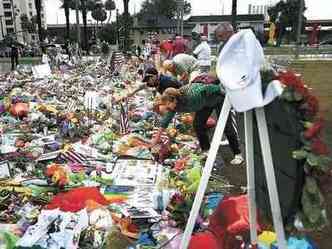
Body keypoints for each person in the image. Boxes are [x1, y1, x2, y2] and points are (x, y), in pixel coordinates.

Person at [151, 84, 243, 165]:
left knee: (226, 127)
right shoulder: (174, 107)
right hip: (204, 105)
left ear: (174, 99)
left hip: (218, 100)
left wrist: (226, 92)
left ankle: (237, 154)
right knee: (198, 124)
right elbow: (164, 123)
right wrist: (154, 141)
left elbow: (209, 88)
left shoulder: (192, 95)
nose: (168, 107)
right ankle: (206, 150)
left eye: (168, 104)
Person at [115, 67, 182, 102]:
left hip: (180, 98)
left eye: (148, 79)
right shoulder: (156, 81)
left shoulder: (165, 82)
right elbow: (143, 86)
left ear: (154, 76)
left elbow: (174, 96)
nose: (148, 82)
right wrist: (132, 93)